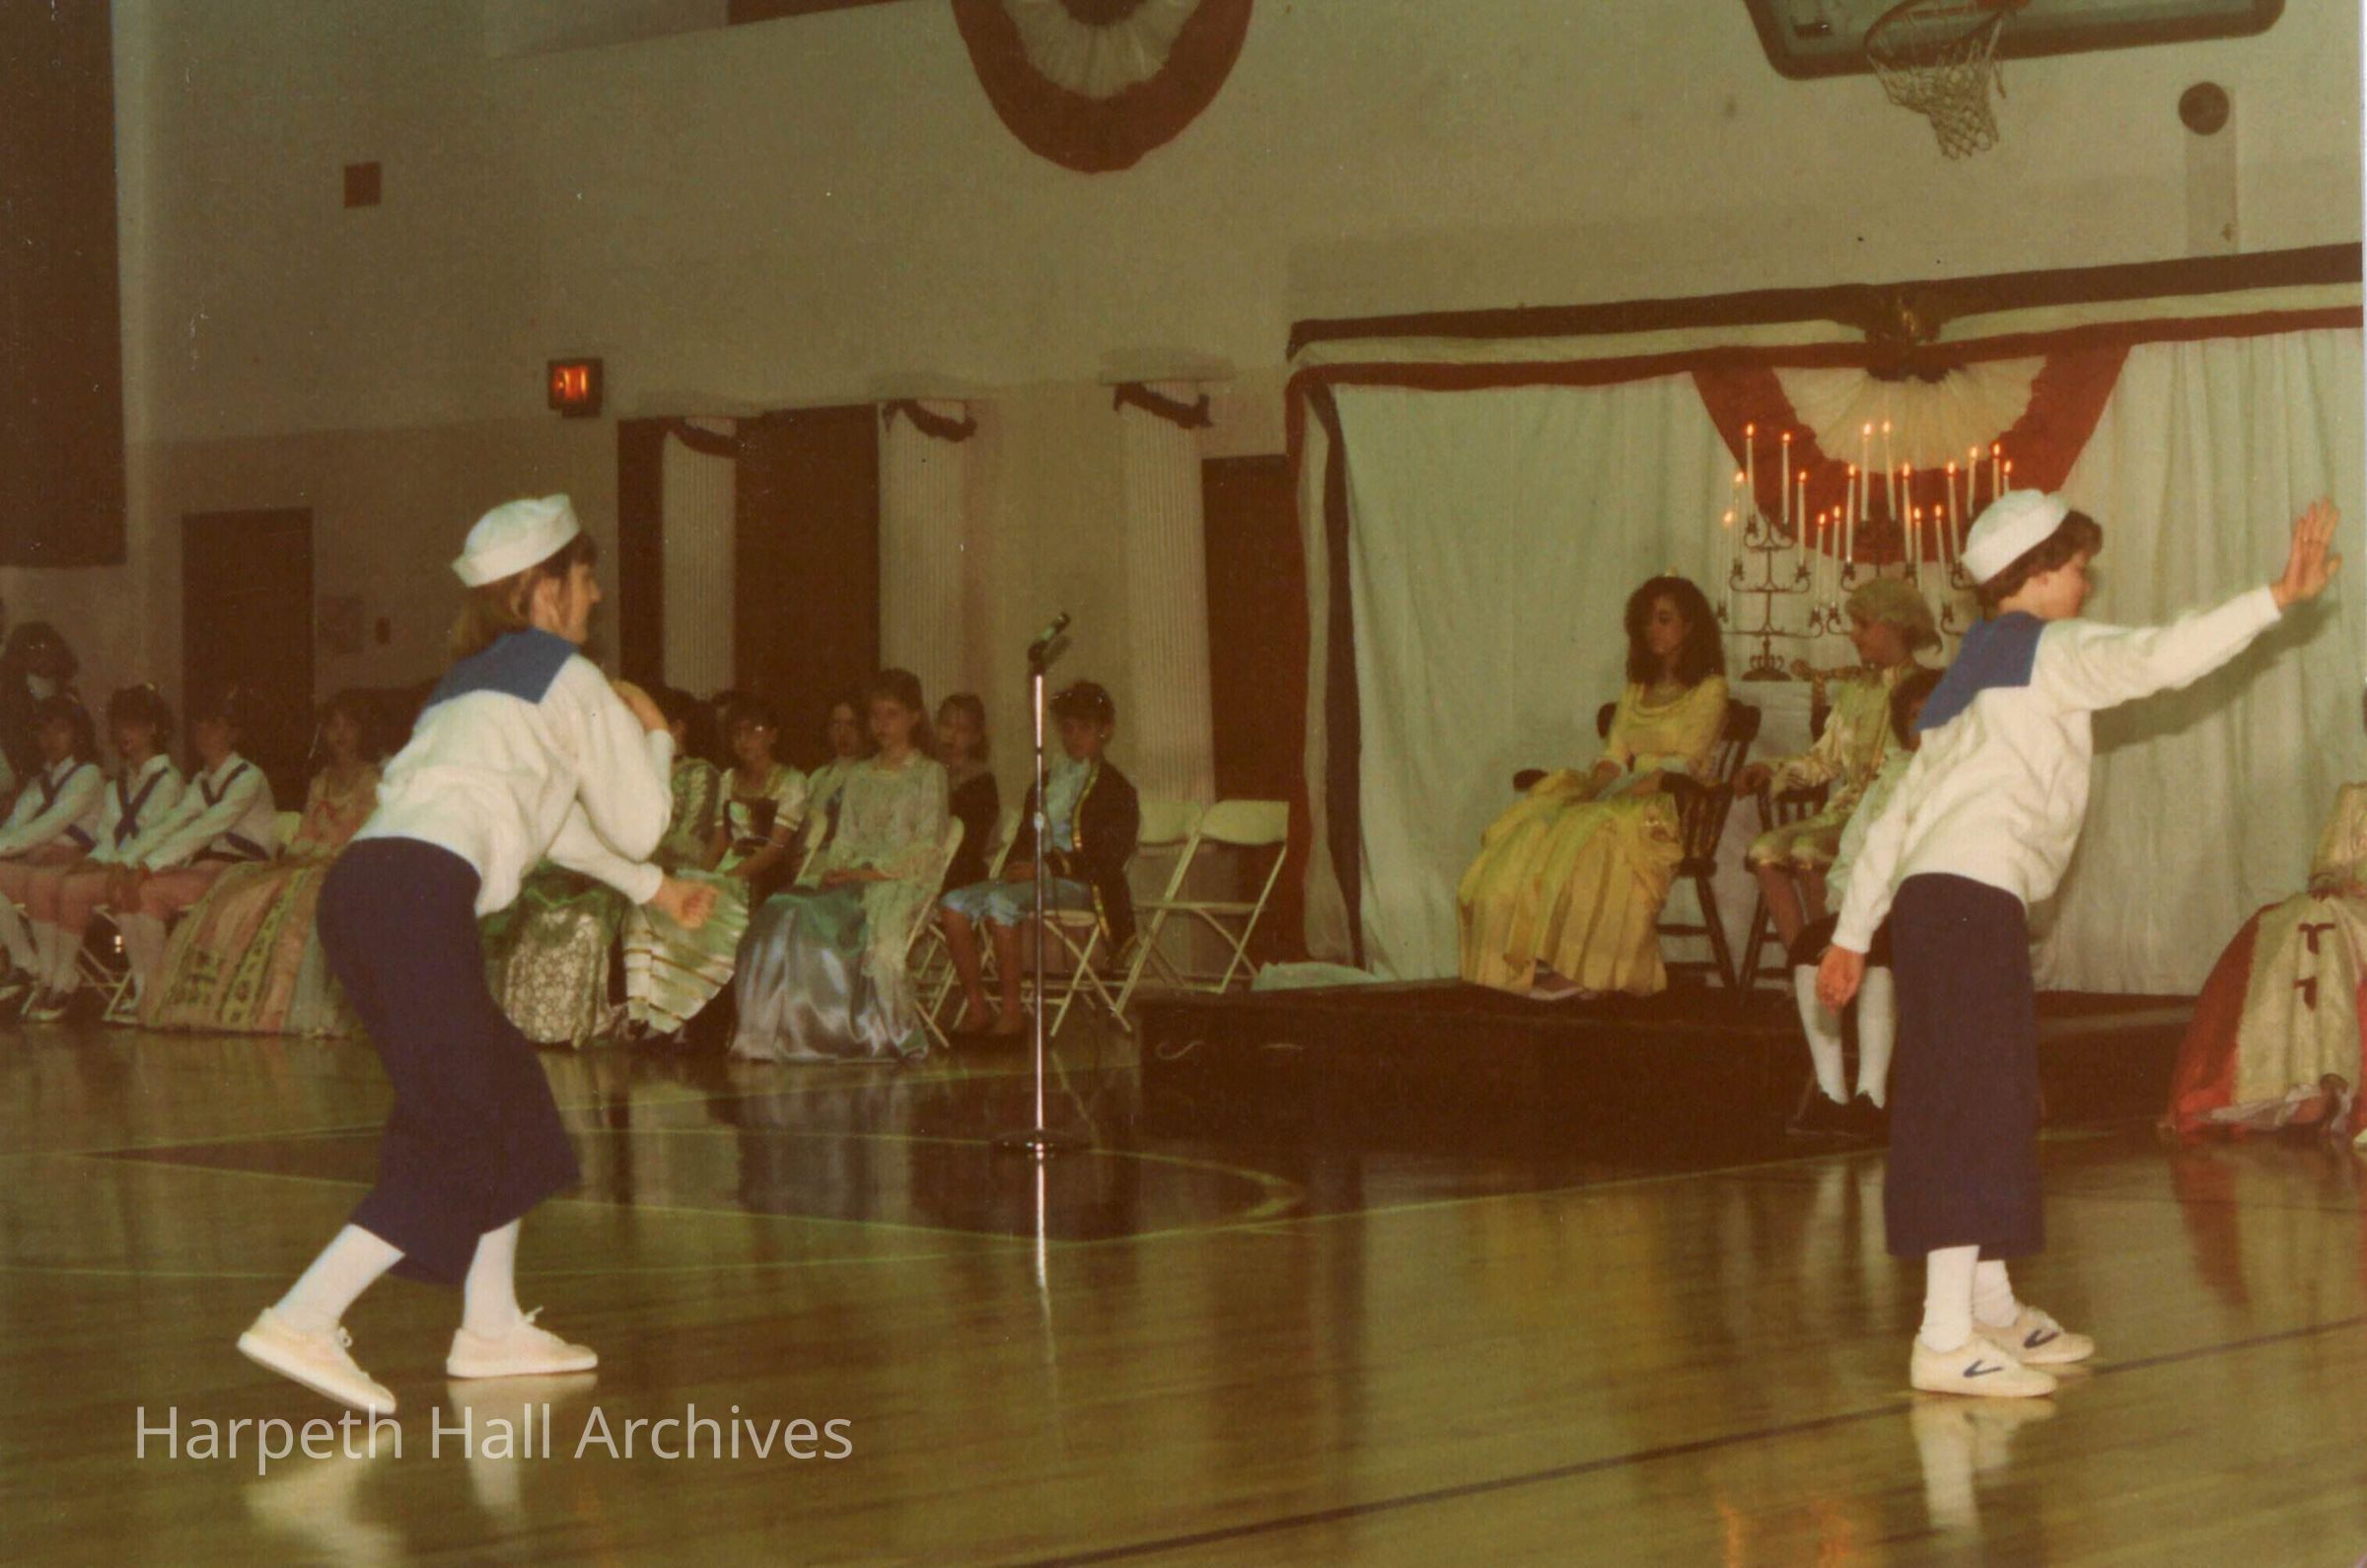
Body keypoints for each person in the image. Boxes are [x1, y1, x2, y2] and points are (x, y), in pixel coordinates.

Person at [1820, 490, 2340, 1399]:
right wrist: (2274, 598)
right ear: (2034, 575)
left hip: (1942, 901)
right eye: (2077, 568)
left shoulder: (1972, 667)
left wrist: (1853, 932)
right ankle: (1944, 1337)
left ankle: (1989, 1308)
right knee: (1968, 1105)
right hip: (1968, 899)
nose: (2087, 584)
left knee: (1993, 1096)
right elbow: (2161, 655)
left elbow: (1900, 813)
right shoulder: (2047, 650)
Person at [235, 495, 715, 1417]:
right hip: (417, 899)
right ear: (545, 588)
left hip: (365, 891)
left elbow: (548, 822)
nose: (597, 594)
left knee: (508, 1100)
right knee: (466, 1123)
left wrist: (652, 891)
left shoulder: (463, 685)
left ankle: (490, 1327)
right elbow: (641, 819)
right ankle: (304, 1316)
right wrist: (658, 734)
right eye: (586, 578)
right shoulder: (570, 675)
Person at [1457, 575, 1729, 998]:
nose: (1652, 629)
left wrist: (1619, 795)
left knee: (1600, 835)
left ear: (1690, 626)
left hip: (1672, 805)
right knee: (1543, 824)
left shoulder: (1710, 690)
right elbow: (1615, 754)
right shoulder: (1636, 689)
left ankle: (1587, 970)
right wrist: (1592, 790)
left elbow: (1686, 763)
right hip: (1624, 795)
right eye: (1647, 621)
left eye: (1664, 619)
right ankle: (1531, 955)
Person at [2166, 687, 2367, 1142]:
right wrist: (2330, 880)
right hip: (2350, 911)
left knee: (2330, 924)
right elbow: (2329, 865)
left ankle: (2332, 1081)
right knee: (2299, 920)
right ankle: (2309, 1083)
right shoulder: (2355, 798)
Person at [730, 669, 950, 1063]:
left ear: (915, 717)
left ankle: (839, 1033)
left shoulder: (928, 774)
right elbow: (845, 838)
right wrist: (838, 868)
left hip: (894, 883)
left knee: (812, 919)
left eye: (892, 715)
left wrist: (864, 874)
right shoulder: (861, 774)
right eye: (875, 715)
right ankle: (778, 1033)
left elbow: (926, 850)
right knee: (782, 907)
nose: (881, 725)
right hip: (853, 876)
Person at [143, 690, 384, 1035]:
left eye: (349, 726)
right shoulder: (320, 781)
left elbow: (364, 834)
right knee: (242, 889)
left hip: (349, 865)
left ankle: (282, 1006)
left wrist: (318, 857)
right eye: (333, 726)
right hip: (310, 860)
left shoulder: (373, 781)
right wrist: (298, 854)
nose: (340, 734)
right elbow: (306, 831)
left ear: (363, 731)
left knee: (299, 894)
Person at [1736, 578, 1938, 954]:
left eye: (1863, 624)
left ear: (1894, 625)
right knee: (1764, 852)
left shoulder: (1924, 689)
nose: (1852, 634)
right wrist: (1772, 769)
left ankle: (1834, 957)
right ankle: (1803, 960)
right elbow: (1823, 760)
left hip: (1891, 817)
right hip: (1844, 814)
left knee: (1808, 852)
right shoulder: (1855, 691)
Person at [1786, 663, 1944, 1137]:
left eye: (1936, 713)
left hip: (1931, 910)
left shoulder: (1960, 778)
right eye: (1914, 717)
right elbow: (1855, 851)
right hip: (1873, 910)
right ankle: (1832, 1093)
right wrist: (1848, 912)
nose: (1924, 726)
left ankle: (1871, 1095)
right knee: (1811, 947)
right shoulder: (1889, 779)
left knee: (1880, 953)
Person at [939, 680, 1138, 1036]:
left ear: (1105, 730)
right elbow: (1023, 841)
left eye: (1084, 728)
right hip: (1033, 881)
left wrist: (1045, 867)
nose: (1074, 737)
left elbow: (1106, 859)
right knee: (953, 904)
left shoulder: (1116, 789)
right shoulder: (1044, 783)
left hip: (1084, 886)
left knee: (1001, 902)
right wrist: (1017, 867)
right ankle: (978, 1007)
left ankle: (1012, 1013)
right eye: (1067, 728)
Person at [108, 685, 281, 1015]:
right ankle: (144, 990)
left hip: (248, 872)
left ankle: (159, 993)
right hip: (212, 867)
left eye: (214, 725)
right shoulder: (202, 781)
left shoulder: (249, 778)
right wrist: (126, 860)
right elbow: (171, 823)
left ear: (234, 733)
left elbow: (205, 829)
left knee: (147, 891)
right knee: (123, 890)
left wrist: (148, 866)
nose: (204, 733)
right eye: (199, 726)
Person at [22, 684, 184, 1024]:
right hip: (118, 865)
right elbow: (110, 837)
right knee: (55, 880)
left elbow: (156, 837)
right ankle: (65, 979)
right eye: (118, 726)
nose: (123, 734)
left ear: (153, 729)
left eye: (133, 725)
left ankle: (66, 980)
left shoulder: (169, 780)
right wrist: (95, 859)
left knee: (74, 888)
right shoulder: (117, 785)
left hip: (153, 868)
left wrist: (115, 863)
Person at [620, 683, 753, 1042]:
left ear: (676, 727)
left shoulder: (700, 772)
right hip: (636, 867)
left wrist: (641, 858)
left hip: (676, 869)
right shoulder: (637, 769)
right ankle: (638, 1016)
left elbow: (692, 838)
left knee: (648, 905)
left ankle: (665, 1018)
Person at [0, 696, 104, 1002]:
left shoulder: (88, 775)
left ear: (78, 734)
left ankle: (53, 976)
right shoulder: (40, 781)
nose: (50, 739)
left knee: (38, 880)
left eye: (60, 730)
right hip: (41, 865)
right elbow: (14, 828)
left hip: (74, 868)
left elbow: (49, 826)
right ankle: (24, 962)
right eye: (43, 731)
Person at [717, 694, 808, 902]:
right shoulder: (728, 779)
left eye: (753, 731)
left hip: (769, 875)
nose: (743, 740)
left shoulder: (791, 781)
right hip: (730, 867)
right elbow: (719, 842)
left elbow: (775, 849)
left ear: (773, 735)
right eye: (737, 733)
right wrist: (701, 878)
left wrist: (728, 879)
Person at [937, 692, 1001, 894]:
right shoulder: (929, 770)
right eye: (947, 725)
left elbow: (971, 843)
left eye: (962, 729)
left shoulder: (981, 780)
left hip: (963, 870)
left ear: (976, 737)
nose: (951, 734)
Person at [796, 694, 870, 865]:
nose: (843, 733)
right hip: (810, 860)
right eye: (836, 724)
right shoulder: (819, 777)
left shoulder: (870, 776)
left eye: (851, 724)